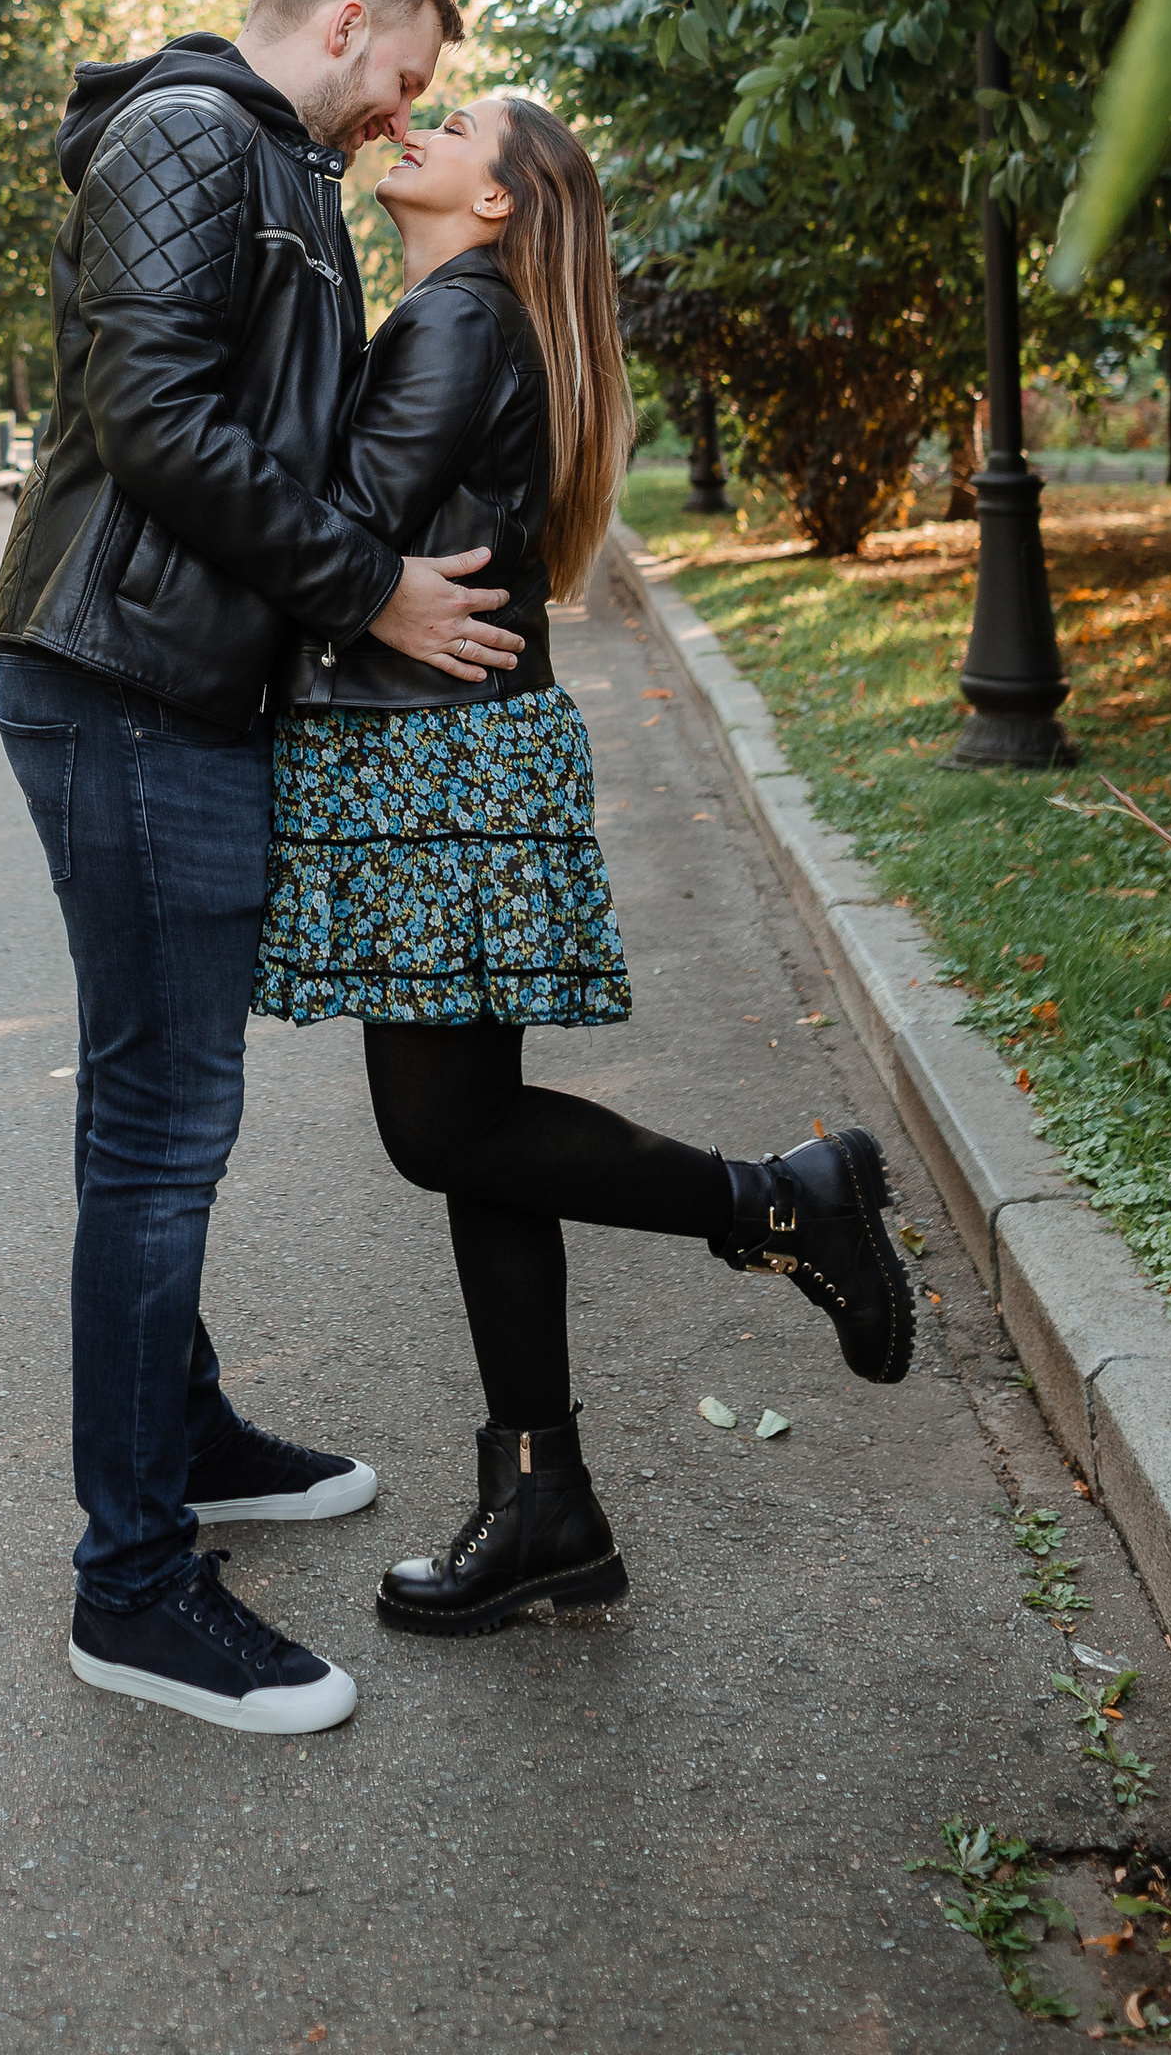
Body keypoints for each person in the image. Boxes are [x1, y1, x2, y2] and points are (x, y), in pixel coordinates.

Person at [253, 88, 914, 1637]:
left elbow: (336, 532)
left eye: (457, 123)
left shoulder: (453, 323)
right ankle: (543, 1497)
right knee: (481, 1131)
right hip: (449, 756)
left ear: (501, 202)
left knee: (441, 1135)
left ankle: (778, 1198)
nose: (414, 126)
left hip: (430, 769)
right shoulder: (466, 314)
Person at [0, 0, 518, 1737]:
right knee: (161, 1126)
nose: (405, 118)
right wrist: (370, 588)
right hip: (121, 681)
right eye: (409, 79)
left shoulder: (269, 157)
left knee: (160, 1104)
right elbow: (152, 418)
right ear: (353, 21)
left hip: (179, 688)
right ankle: (131, 1589)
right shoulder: (196, 136)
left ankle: (187, 1437)